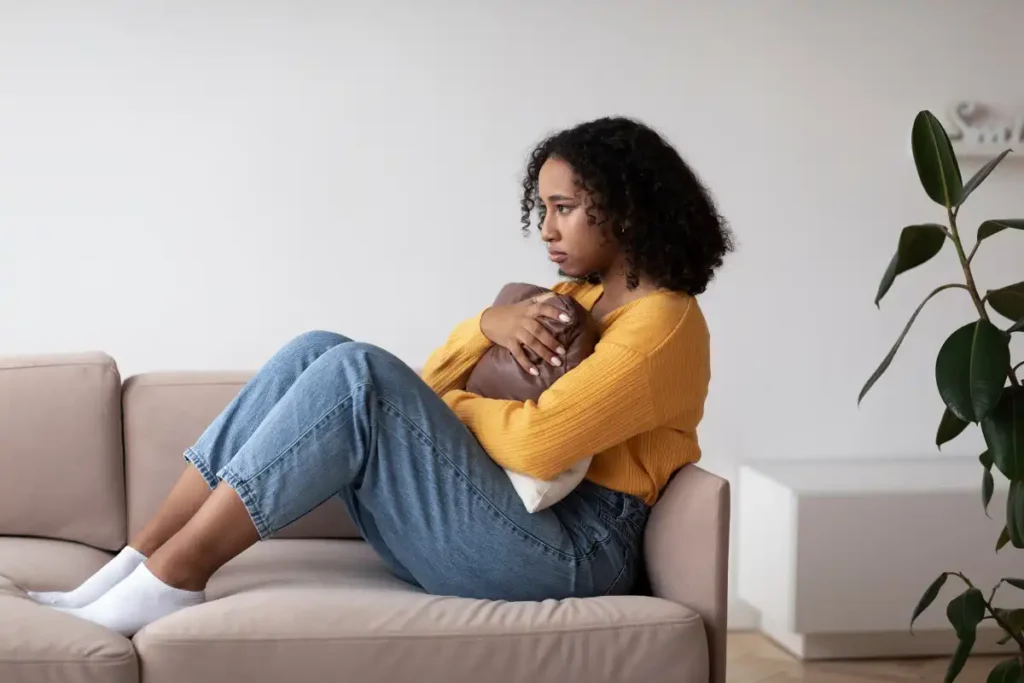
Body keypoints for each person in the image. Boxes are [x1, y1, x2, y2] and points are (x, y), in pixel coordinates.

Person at [27, 116, 733, 636]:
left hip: (571, 549)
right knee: (319, 349)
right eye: (543, 208)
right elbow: (433, 376)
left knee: (360, 374)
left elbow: (537, 444)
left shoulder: (662, 325)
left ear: (629, 209)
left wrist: (447, 411)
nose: (546, 229)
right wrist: (487, 325)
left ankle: (174, 578)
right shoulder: (581, 298)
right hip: (506, 519)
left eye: (564, 208)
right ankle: (138, 558)